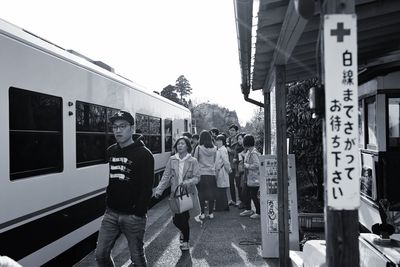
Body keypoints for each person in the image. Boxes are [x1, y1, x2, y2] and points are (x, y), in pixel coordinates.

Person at [95, 111, 154, 267]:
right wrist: (109, 204)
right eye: (115, 127)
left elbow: (147, 187)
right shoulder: (111, 150)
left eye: (123, 126)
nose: (118, 130)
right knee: (100, 255)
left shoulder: (144, 154)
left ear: (132, 128)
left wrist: (138, 212)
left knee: (137, 259)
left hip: (133, 216)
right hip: (111, 213)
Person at [154, 136, 200, 251]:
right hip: (175, 194)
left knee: (184, 218)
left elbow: (197, 177)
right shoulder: (172, 159)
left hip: (188, 194)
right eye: (178, 144)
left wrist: (188, 182)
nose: (180, 146)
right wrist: (159, 190)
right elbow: (166, 176)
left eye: (182, 144)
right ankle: (183, 232)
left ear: (187, 146)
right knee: (176, 220)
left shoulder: (192, 160)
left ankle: (185, 241)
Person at [194, 130, 217, 219]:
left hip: (201, 174)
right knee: (211, 194)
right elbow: (215, 161)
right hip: (211, 174)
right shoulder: (214, 149)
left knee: (201, 194)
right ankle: (211, 213)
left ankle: (202, 213)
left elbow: (195, 161)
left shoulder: (199, 148)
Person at [239, 134, 261, 219]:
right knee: (246, 194)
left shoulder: (253, 153)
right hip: (249, 178)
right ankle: (248, 209)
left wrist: (247, 165)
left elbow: (257, 165)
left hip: (254, 178)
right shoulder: (249, 151)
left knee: (254, 195)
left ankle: (258, 212)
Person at [214, 134, 231, 211]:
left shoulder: (223, 150)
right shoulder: (219, 149)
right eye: (217, 140)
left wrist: (228, 170)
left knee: (221, 189)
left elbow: (226, 161)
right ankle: (223, 206)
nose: (218, 142)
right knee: (220, 189)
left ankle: (222, 207)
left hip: (222, 170)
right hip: (220, 170)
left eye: (220, 140)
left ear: (223, 142)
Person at [227, 124, 241, 207]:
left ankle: (240, 200)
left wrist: (230, 151)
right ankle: (233, 200)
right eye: (230, 130)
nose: (231, 132)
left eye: (233, 130)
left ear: (236, 131)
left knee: (238, 183)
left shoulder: (239, 140)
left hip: (236, 165)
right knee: (231, 183)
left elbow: (239, 152)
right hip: (229, 164)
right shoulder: (227, 139)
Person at [235, 133, 246, 209]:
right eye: (238, 139)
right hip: (238, 169)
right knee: (238, 185)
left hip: (243, 170)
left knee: (243, 187)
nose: (239, 140)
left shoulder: (245, 149)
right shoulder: (237, 147)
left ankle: (244, 202)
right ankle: (241, 201)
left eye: (240, 139)